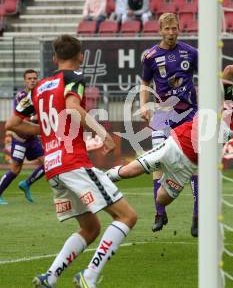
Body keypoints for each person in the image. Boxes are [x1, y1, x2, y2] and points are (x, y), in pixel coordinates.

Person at [6, 35, 137, 288]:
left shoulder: (38, 88)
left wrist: (44, 131)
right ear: (81, 57)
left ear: (54, 58)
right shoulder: (73, 78)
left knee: (90, 228)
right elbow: (73, 107)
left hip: (53, 167)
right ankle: (89, 277)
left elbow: (12, 123)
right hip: (72, 162)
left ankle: (50, 277)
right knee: (127, 217)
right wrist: (104, 135)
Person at [107, 66, 233, 208]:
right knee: (129, 172)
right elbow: (229, 69)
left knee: (162, 199)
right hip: (176, 145)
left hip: (190, 165)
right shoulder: (222, 97)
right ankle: (102, 179)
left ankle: (163, 169)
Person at [140, 13, 199, 236]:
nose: (172, 33)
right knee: (157, 163)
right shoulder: (151, 56)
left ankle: (197, 217)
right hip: (162, 116)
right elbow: (145, 82)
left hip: (189, 113)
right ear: (160, 30)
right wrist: (144, 105)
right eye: (168, 29)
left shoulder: (190, 52)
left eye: (175, 28)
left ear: (179, 29)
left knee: (196, 164)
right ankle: (159, 212)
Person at [0, 69, 45, 205]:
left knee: (48, 162)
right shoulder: (22, 96)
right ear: (25, 81)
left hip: (32, 138)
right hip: (20, 138)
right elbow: (20, 119)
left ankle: (26, 183)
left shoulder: (39, 95)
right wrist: (36, 117)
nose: (32, 80)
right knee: (15, 168)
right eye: (29, 78)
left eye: (34, 78)